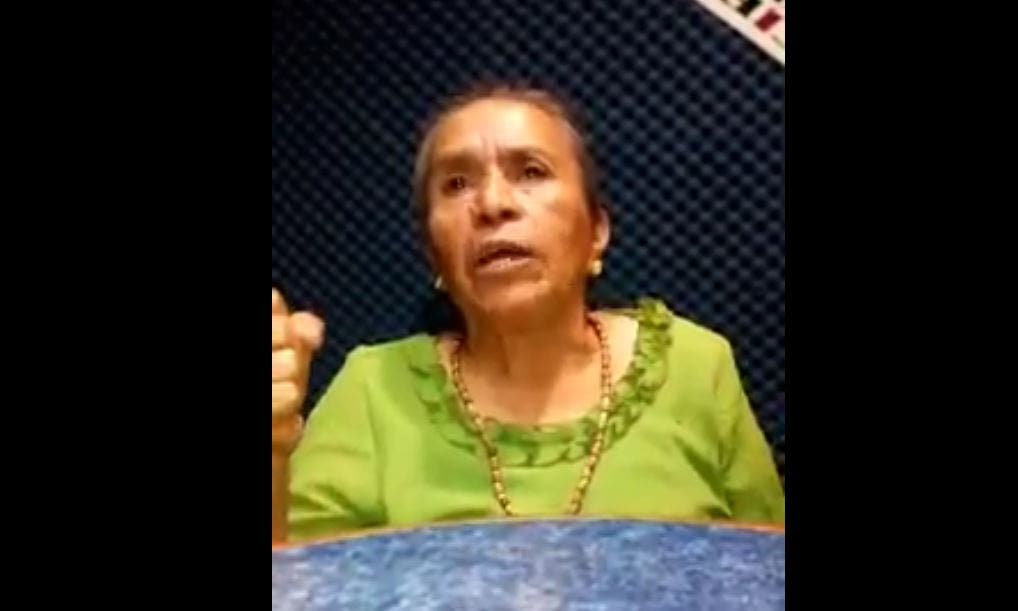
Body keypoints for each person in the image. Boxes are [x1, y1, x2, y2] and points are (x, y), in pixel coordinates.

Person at [271, 84, 784, 544]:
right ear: (434, 255)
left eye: (531, 172)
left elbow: (766, 571)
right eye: (456, 184)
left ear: (596, 233)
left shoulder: (696, 366)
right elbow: (296, 587)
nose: (493, 203)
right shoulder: (372, 388)